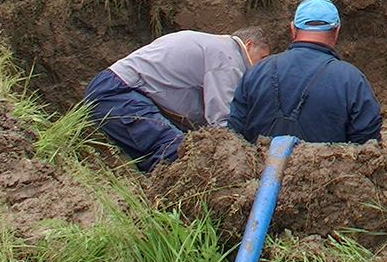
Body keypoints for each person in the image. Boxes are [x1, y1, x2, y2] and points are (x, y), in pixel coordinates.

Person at [84, 27, 271, 172]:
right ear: (248, 44)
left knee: (164, 153)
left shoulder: (212, 45)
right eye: (262, 58)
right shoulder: (228, 57)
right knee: (178, 152)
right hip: (119, 93)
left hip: (118, 90)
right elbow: (222, 123)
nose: (261, 66)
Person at [228, 0, 382, 145]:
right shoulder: (352, 80)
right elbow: (368, 146)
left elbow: (234, 136)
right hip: (326, 170)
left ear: (293, 29)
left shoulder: (256, 72)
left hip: (260, 170)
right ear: (336, 30)